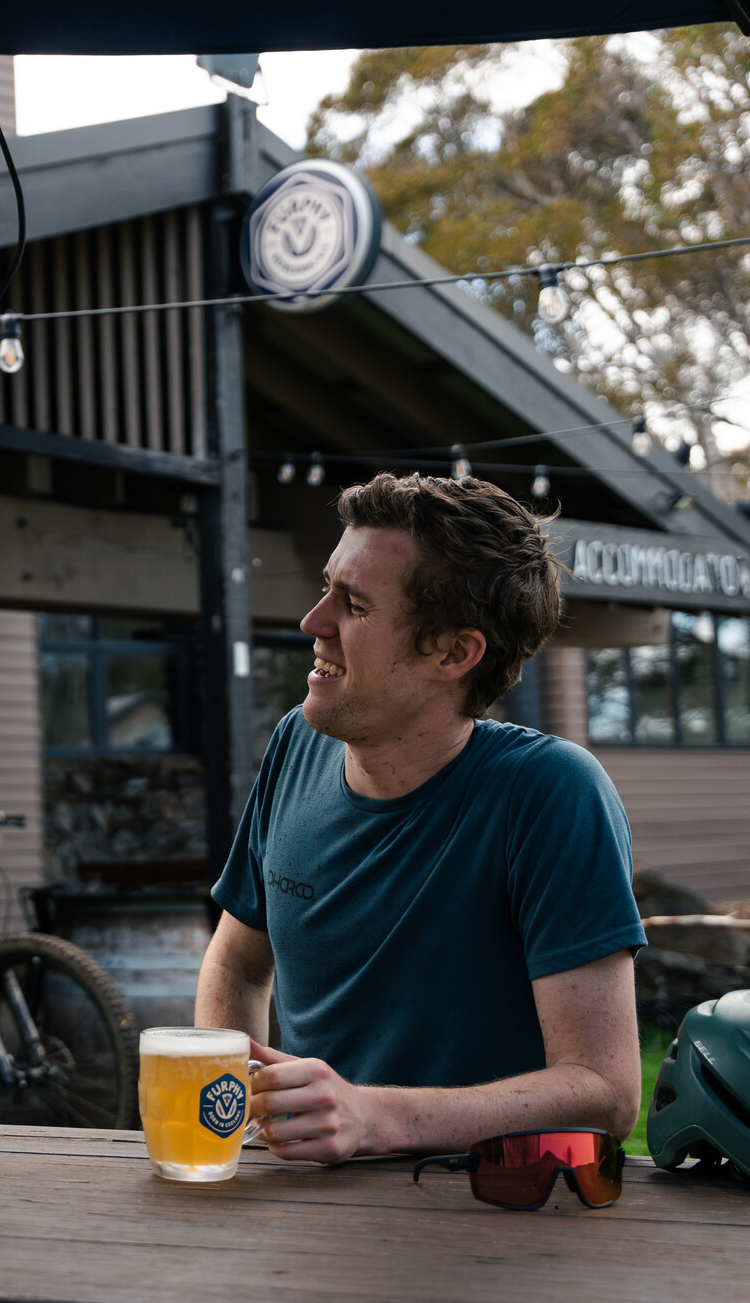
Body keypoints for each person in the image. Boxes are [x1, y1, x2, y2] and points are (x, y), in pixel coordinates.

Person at [196, 473, 643, 1164]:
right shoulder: (296, 743)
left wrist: (373, 1116)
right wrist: (235, 1120)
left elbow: (605, 1092)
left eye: (354, 605)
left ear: (455, 654)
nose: (314, 622)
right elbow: (235, 960)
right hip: (303, 1211)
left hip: (484, 1224)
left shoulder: (551, 792)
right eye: (326, 589)